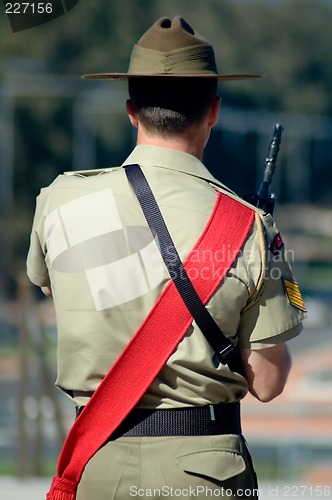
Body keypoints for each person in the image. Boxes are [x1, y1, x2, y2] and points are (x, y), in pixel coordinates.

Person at [27, 16, 307, 500]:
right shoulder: (251, 227)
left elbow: (54, 287)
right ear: (214, 111)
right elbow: (268, 382)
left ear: (131, 111)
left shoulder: (59, 201)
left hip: (97, 465)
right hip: (209, 475)